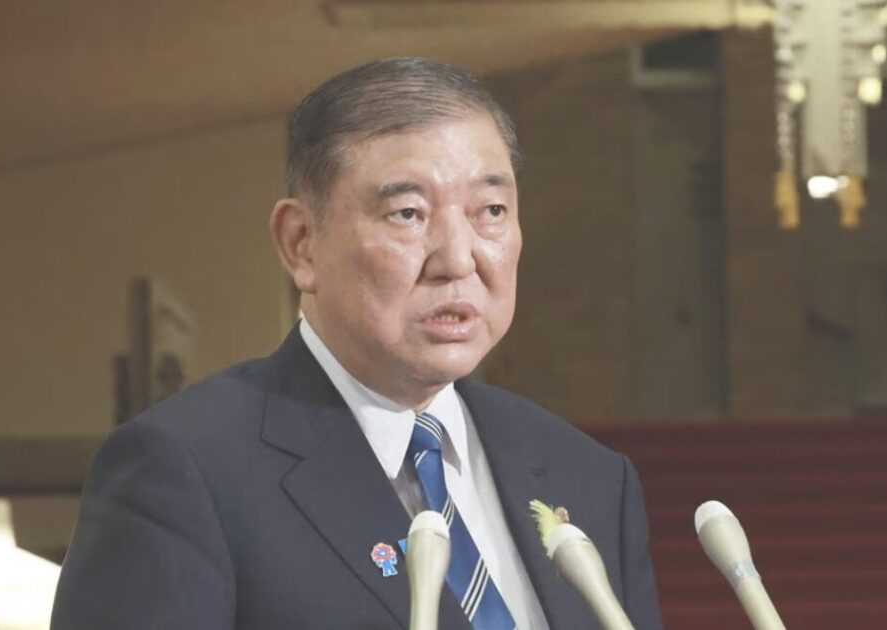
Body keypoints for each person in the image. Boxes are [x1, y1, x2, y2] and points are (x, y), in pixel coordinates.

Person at [51, 57, 662, 630]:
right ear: (301, 243)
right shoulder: (184, 471)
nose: (458, 259)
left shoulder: (588, 476)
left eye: (492, 210)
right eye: (408, 214)